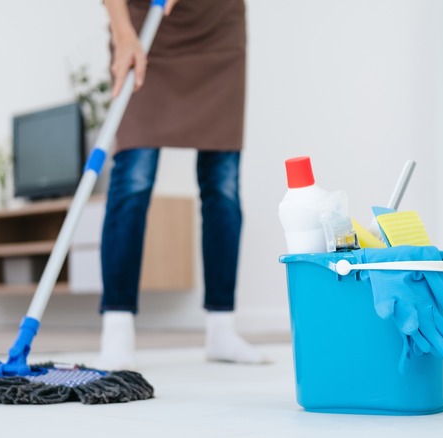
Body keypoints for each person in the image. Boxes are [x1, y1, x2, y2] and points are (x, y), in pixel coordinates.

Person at [97, 0, 266, 370]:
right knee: (133, 177)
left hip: (217, 27)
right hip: (144, 22)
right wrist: (124, 34)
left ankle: (221, 327)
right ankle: (117, 326)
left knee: (223, 184)